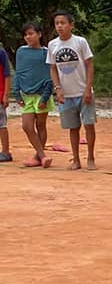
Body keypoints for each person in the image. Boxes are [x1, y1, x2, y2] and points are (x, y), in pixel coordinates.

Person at [47, 10, 97, 170]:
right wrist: (57, 89)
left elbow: (89, 65)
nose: (59, 26)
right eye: (57, 23)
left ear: (71, 25)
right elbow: (53, 68)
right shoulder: (52, 45)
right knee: (73, 128)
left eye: (63, 23)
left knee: (89, 125)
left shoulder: (80, 42)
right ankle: (76, 159)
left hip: (83, 92)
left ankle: (90, 157)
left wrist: (88, 89)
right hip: (66, 94)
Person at [14, 22, 54, 167]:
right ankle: (42, 156)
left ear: (39, 34)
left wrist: (45, 97)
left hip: (42, 94)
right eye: (25, 34)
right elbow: (19, 72)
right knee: (27, 126)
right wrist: (16, 93)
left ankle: (38, 157)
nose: (28, 37)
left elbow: (50, 76)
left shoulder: (46, 52)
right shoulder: (21, 51)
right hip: (26, 95)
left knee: (40, 125)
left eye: (31, 34)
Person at [0, 41, 11, 162]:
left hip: (0, 94)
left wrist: (6, 95)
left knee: (1, 124)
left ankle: (5, 151)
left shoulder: (1, 52)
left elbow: (7, 75)